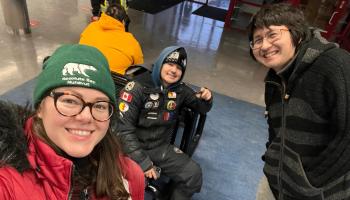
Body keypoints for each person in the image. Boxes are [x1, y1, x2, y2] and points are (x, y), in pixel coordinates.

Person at [0, 44, 145, 199]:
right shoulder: (7, 184)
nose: (86, 116)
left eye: (100, 105)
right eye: (70, 101)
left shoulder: (130, 175)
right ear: (40, 109)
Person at [249, 3, 350, 200]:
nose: (264, 45)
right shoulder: (275, 80)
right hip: (277, 185)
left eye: (272, 35)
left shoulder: (336, 65)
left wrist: (311, 185)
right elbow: (275, 130)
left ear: (297, 33)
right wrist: (271, 160)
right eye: (257, 40)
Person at [115, 46, 213, 200]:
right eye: (170, 64)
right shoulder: (136, 87)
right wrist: (144, 163)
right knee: (131, 188)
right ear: (160, 63)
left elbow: (201, 107)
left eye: (179, 68)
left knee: (193, 175)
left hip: (158, 147)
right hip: (128, 149)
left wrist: (207, 97)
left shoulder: (180, 90)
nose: (174, 70)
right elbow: (123, 131)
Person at [80, 3, 143, 75]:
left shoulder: (91, 27)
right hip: (114, 83)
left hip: (85, 74)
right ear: (123, 22)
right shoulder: (131, 42)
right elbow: (139, 65)